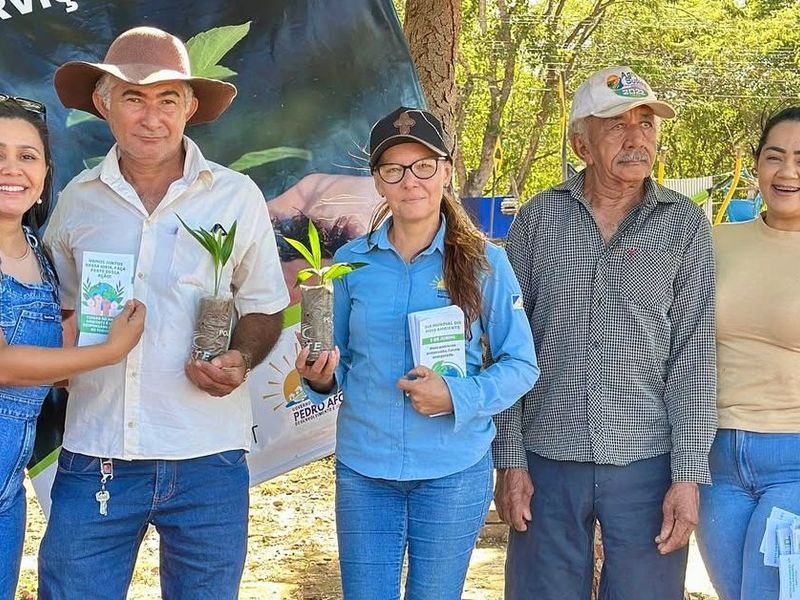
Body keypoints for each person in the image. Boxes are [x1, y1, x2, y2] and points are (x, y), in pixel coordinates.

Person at [37, 26, 290, 599]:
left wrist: (240, 358)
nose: (150, 117)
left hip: (209, 457)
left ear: (190, 107)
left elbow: (264, 307)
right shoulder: (76, 200)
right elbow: (61, 310)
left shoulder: (235, 195)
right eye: (132, 97)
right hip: (97, 453)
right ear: (104, 104)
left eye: (167, 99)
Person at [296, 106, 539, 599]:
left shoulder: (484, 262)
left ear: (446, 171)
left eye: (424, 166)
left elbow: (521, 364)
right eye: (394, 170)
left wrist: (457, 395)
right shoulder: (349, 264)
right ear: (379, 182)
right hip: (366, 469)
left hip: (453, 469)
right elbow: (334, 367)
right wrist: (318, 376)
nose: (411, 181)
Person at [493, 65, 717, 600]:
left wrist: (686, 475)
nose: (637, 138)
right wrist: (510, 459)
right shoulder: (539, 219)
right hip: (548, 458)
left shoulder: (684, 224)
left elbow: (694, 355)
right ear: (581, 143)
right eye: (616, 124)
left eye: (646, 123)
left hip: (647, 462)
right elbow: (504, 343)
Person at [0, 95, 144, 599]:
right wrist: (109, 352)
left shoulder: (37, 253)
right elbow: (4, 363)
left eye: (27, 156)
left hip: (7, 484)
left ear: (44, 172)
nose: (12, 169)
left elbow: (44, 359)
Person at [695, 106, 800, 600]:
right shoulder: (715, 242)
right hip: (716, 462)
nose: (787, 172)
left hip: (793, 459)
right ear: (756, 164)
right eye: (775, 156)